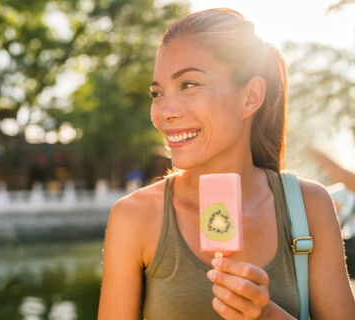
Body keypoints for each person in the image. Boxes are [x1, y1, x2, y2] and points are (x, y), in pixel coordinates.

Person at [97, 8, 355, 320]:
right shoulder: (133, 217)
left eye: (189, 84)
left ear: (250, 97)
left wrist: (268, 316)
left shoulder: (310, 207)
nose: (165, 111)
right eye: (157, 93)